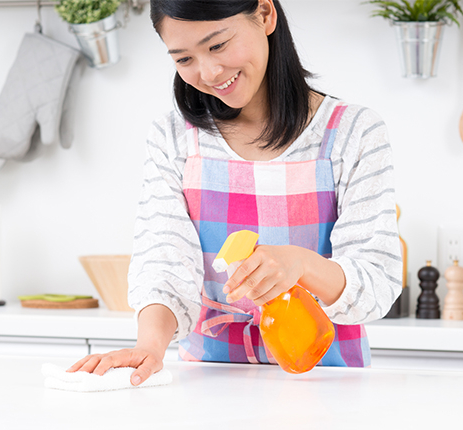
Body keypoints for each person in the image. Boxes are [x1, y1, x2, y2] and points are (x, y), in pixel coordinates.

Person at [69, 0, 402, 386]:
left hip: (326, 381)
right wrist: (149, 347)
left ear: (264, 14)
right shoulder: (174, 138)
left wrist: (301, 264)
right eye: (183, 58)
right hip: (208, 382)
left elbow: (377, 281)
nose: (208, 72)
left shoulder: (354, 132)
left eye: (218, 45)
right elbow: (164, 262)